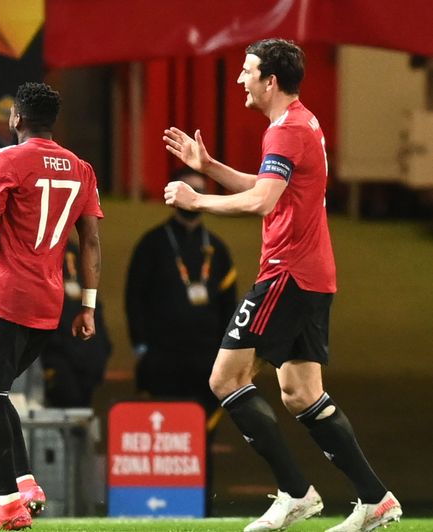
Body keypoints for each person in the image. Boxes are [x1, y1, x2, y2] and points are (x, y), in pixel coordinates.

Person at [163, 38, 402, 532]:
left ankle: (296, 494)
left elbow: (263, 202)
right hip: (313, 275)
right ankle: (376, 499)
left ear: (270, 81)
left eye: (247, 71)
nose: (240, 80)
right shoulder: (299, 124)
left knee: (225, 379)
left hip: (287, 274)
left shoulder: (286, 131)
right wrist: (207, 167)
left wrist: (197, 200)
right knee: (299, 392)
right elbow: (267, 187)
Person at [0, 81, 103, 532]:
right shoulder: (81, 168)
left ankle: (8, 503)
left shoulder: (7, 159)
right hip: (51, 300)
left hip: (7, 295)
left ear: (16, 118)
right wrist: (89, 307)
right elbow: (91, 241)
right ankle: (26, 483)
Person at [126, 167, 238, 416]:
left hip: (207, 361)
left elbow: (230, 305)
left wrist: (226, 354)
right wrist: (141, 347)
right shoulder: (152, 244)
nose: (192, 196)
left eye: (198, 191)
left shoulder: (218, 250)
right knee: (167, 437)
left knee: (202, 437)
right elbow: (134, 298)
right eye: (185, 190)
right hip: (162, 359)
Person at [40, 241, 112, 408]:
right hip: (55, 354)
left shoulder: (75, 249)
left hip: (87, 355)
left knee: (81, 412)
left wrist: (102, 347)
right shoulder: (37, 248)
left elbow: (92, 301)